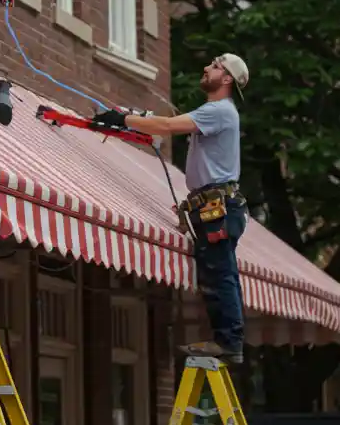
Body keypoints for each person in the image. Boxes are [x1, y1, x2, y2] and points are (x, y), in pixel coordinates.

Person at [94, 53, 251, 363]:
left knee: (219, 273)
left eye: (216, 66)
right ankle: (227, 340)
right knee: (218, 271)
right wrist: (134, 119)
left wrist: (121, 118)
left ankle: (229, 341)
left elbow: (165, 125)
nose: (207, 67)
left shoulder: (219, 111)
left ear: (227, 79)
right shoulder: (215, 112)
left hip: (217, 207)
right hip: (214, 206)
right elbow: (164, 125)